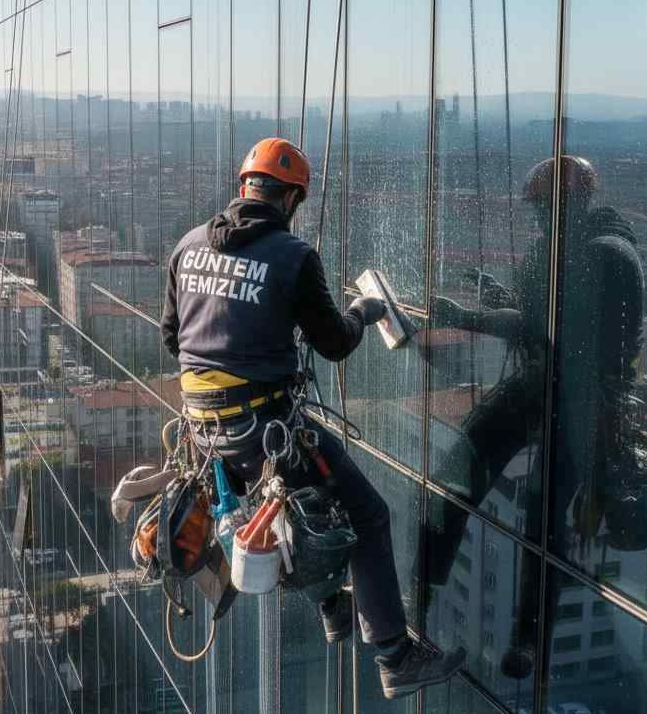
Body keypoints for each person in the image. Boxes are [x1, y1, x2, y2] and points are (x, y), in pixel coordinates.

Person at [160, 137, 465, 700]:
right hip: (264, 428)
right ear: (292, 198)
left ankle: (332, 608)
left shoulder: (187, 246)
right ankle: (395, 656)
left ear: (243, 186)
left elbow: (172, 338)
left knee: (306, 505)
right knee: (367, 514)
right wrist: (364, 310)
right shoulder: (293, 257)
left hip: (207, 432)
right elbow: (335, 344)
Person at [426, 155, 644, 679]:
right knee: (473, 470)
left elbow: (535, 322)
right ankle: (440, 584)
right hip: (549, 382)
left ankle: (526, 636)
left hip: (582, 398)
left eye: (545, 211)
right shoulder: (571, 248)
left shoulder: (603, 255)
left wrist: (466, 316)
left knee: (541, 515)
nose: (539, 221)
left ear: (571, 206)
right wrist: (493, 293)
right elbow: (537, 314)